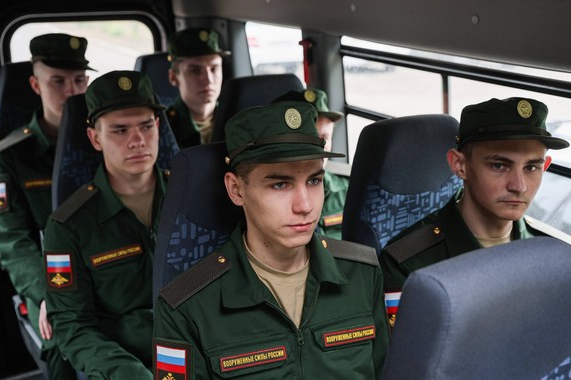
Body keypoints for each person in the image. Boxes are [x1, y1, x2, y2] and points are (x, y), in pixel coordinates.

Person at [153, 101, 389, 379]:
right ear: (236, 189)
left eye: (314, 181)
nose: (304, 205)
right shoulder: (185, 305)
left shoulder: (362, 272)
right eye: (280, 184)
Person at [380, 97, 571, 328]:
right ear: (460, 165)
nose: (519, 186)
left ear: (545, 165)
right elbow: (410, 360)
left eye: (531, 167)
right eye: (499, 166)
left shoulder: (551, 254)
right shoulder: (408, 263)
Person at [43, 70, 169, 378]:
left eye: (146, 126)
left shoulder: (193, 200)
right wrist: (127, 373)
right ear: (94, 138)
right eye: (120, 130)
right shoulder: (69, 225)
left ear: (158, 127)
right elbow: (73, 326)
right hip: (123, 362)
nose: (137, 140)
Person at [0, 32, 94, 379]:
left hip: (111, 269)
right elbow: (12, 240)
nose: (71, 91)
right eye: (58, 81)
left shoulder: (109, 140)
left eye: (79, 80)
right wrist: (49, 292)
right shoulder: (10, 156)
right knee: (65, 340)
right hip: (49, 277)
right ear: (36, 85)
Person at [273, 88, 349, 239]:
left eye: (324, 137)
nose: (319, 147)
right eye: (309, 138)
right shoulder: (265, 196)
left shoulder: (349, 190)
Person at [166, 27, 231, 149]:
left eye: (214, 69)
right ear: (173, 77)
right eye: (195, 71)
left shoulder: (236, 120)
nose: (208, 79)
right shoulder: (164, 128)